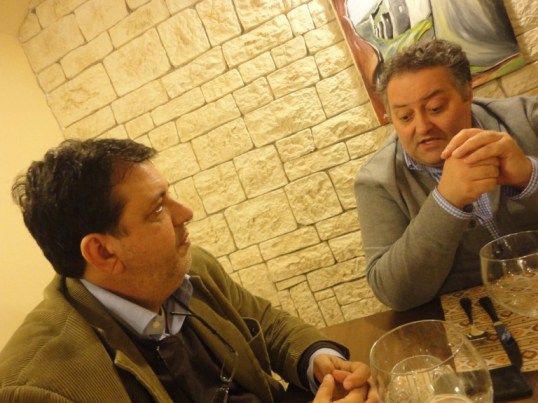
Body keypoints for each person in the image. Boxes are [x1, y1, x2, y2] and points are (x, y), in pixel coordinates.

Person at [0, 138, 376, 403]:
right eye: (157, 208)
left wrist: (318, 360)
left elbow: (266, 323)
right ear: (103, 251)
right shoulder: (39, 388)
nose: (185, 212)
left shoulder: (192, 268)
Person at [354, 39, 538, 311]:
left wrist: (529, 176)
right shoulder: (377, 181)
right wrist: (446, 202)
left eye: (435, 108)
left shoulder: (527, 118)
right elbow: (394, 293)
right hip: (475, 315)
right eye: (405, 117)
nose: (422, 127)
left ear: (467, 93)